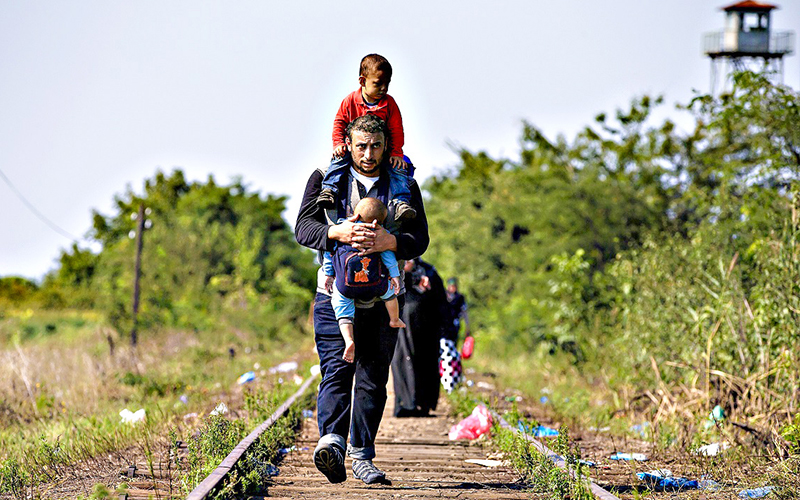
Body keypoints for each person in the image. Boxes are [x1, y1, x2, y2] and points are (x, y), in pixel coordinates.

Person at [295, 114, 429, 485]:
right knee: (336, 372)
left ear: (387, 146)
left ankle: (362, 455)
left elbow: (420, 238)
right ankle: (332, 445)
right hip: (335, 296)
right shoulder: (325, 177)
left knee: (372, 379)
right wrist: (336, 231)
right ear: (348, 145)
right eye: (361, 146)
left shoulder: (404, 184)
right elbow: (303, 228)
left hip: (385, 299)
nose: (368, 155)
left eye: (376, 146)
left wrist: (392, 242)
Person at [316, 54, 416, 221]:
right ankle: (329, 190)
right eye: (378, 84)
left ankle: (401, 202)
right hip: (351, 149)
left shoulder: (389, 103)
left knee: (399, 168)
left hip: (386, 151)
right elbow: (339, 123)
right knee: (338, 160)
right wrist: (338, 144)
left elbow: (397, 129)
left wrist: (396, 153)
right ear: (362, 81)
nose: (384, 88)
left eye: (387, 83)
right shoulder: (349, 101)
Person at [322, 197, 406, 363]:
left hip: (345, 285)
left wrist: (328, 275)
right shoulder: (378, 235)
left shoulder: (343, 230)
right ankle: (394, 319)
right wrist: (395, 277)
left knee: (342, 309)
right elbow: (389, 257)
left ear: (356, 214)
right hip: (376, 285)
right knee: (390, 295)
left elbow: (329, 253)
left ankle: (349, 340)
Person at [391, 258, 447, 417]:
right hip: (402, 326)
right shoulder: (393, 266)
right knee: (402, 362)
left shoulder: (429, 271)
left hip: (426, 329)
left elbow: (440, 300)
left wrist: (445, 328)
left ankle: (423, 403)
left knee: (426, 363)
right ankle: (405, 404)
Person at [440, 277, 470, 394]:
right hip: (443, 328)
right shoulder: (444, 296)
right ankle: (443, 373)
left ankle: (452, 373)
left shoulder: (460, 298)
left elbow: (464, 313)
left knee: (453, 352)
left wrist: (468, 327)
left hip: (454, 327)